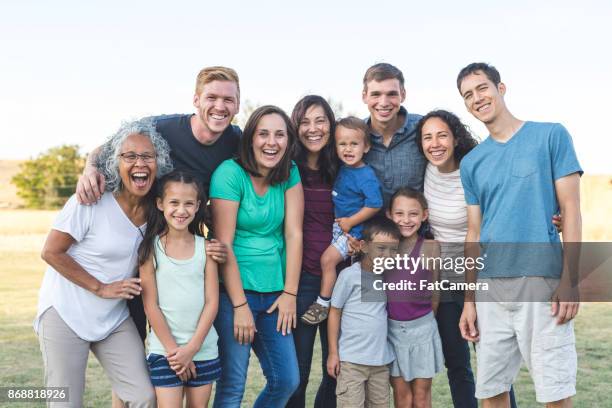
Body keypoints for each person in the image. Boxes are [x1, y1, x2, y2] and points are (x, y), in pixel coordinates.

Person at [457, 62, 582, 407]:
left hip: (540, 283)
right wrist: (470, 300)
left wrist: (570, 280)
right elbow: (474, 232)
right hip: (490, 290)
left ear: (501, 88)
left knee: (555, 393)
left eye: (482, 88)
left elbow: (570, 210)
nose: (477, 98)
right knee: (491, 394)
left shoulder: (551, 135)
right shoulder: (472, 163)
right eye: (468, 95)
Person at [35, 119, 173, 407]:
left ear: (158, 163)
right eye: (130, 156)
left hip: (112, 319)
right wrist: (99, 287)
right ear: (115, 163)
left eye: (148, 156)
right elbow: (51, 252)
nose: (140, 163)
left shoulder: (157, 210)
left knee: (144, 397)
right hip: (65, 312)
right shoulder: (91, 199)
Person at [210, 105, 303, 407]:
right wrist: (239, 305)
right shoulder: (229, 173)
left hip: (276, 294)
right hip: (234, 294)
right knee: (233, 385)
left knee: (287, 380)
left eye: (279, 134)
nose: (271, 142)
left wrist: (290, 292)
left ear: (289, 141)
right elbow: (223, 242)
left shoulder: (289, 173)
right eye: (263, 134)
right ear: (251, 138)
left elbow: (293, 234)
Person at [139, 171, 221, 408]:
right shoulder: (150, 249)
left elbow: (211, 302)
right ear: (160, 204)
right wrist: (176, 353)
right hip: (165, 352)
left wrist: (192, 348)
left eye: (188, 204)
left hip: (203, 349)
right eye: (174, 202)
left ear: (198, 206)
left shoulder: (206, 249)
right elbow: (150, 305)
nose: (181, 210)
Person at [301, 116, 382, 325]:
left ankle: (323, 303)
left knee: (327, 260)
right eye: (342, 144)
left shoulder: (366, 175)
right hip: (341, 228)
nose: (348, 149)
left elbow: (375, 204)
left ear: (366, 147)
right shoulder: (344, 167)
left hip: (352, 231)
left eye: (354, 144)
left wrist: (351, 222)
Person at [287, 95, 339, 407]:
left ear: (331, 125)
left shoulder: (344, 167)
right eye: (305, 121)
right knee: (298, 373)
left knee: (337, 368)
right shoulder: (287, 169)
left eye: (320, 120)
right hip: (303, 281)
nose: (313, 128)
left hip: (342, 282)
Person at [327, 217, 399, 408]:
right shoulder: (349, 276)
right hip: (351, 362)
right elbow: (334, 312)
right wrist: (333, 353)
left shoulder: (388, 277)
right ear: (364, 246)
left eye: (393, 249)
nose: (388, 255)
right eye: (381, 248)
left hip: (380, 363)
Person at [384, 188, 445, 408]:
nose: (406, 220)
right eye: (399, 213)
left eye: (413, 214)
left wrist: (428, 321)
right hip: (392, 332)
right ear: (389, 215)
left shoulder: (430, 247)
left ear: (424, 215)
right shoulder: (384, 248)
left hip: (423, 330)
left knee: (421, 396)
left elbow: (435, 290)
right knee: (403, 397)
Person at [362, 63, 426, 206]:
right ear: (364, 96)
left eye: (391, 94)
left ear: (402, 95)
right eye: (376, 94)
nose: (383, 103)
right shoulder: (353, 136)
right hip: (366, 227)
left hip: (415, 226)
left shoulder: (424, 128)